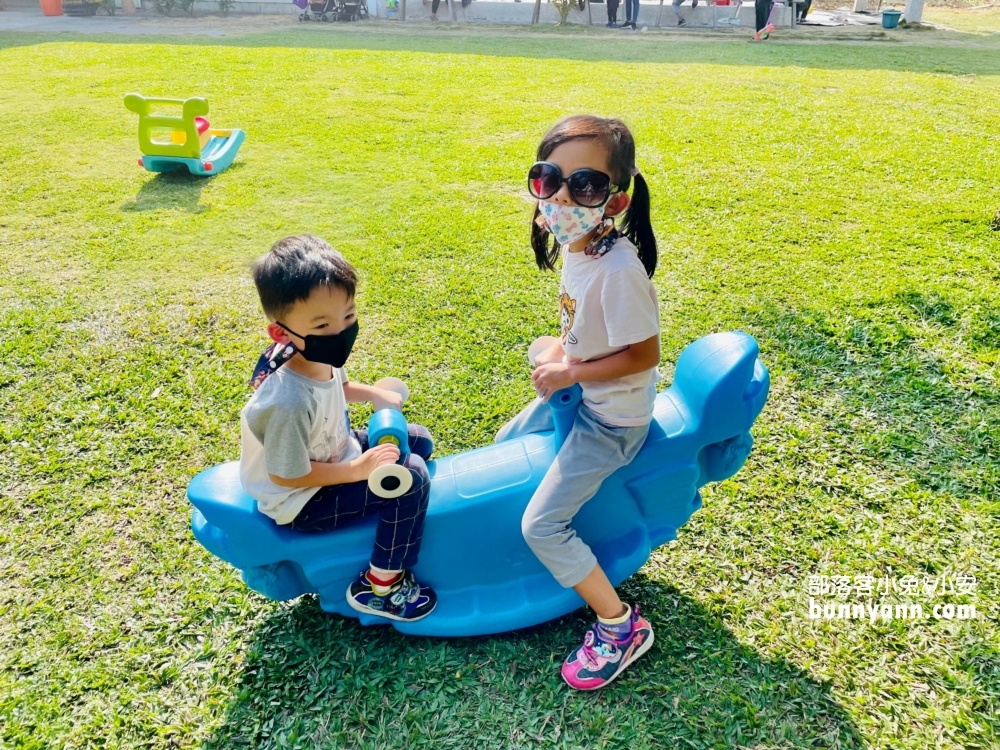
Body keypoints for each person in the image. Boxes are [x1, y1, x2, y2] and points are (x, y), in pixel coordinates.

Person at [498, 115, 661, 690]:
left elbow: (643, 356)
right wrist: (563, 353)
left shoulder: (618, 269)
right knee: (506, 446)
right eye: (549, 178)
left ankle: (620, 625)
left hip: (611, 419)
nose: (563, 196)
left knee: (542, 526)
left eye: (585, 185)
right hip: (582, 390)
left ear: (614, 201)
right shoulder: (577, 244)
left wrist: (571, 368)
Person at [240, 235, 437, 622]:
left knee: (417, 439)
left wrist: (376, 395)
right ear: (282, 333)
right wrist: (357, 470)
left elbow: (337, 389)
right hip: (303, 498)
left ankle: (391, 513)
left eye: (348, 316)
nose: (341, 331)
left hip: (331, 449)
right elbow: (286, 474)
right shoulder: (287, 402)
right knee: (411, 477)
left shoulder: (317, 354)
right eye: (323, 324)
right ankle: (382, 585)